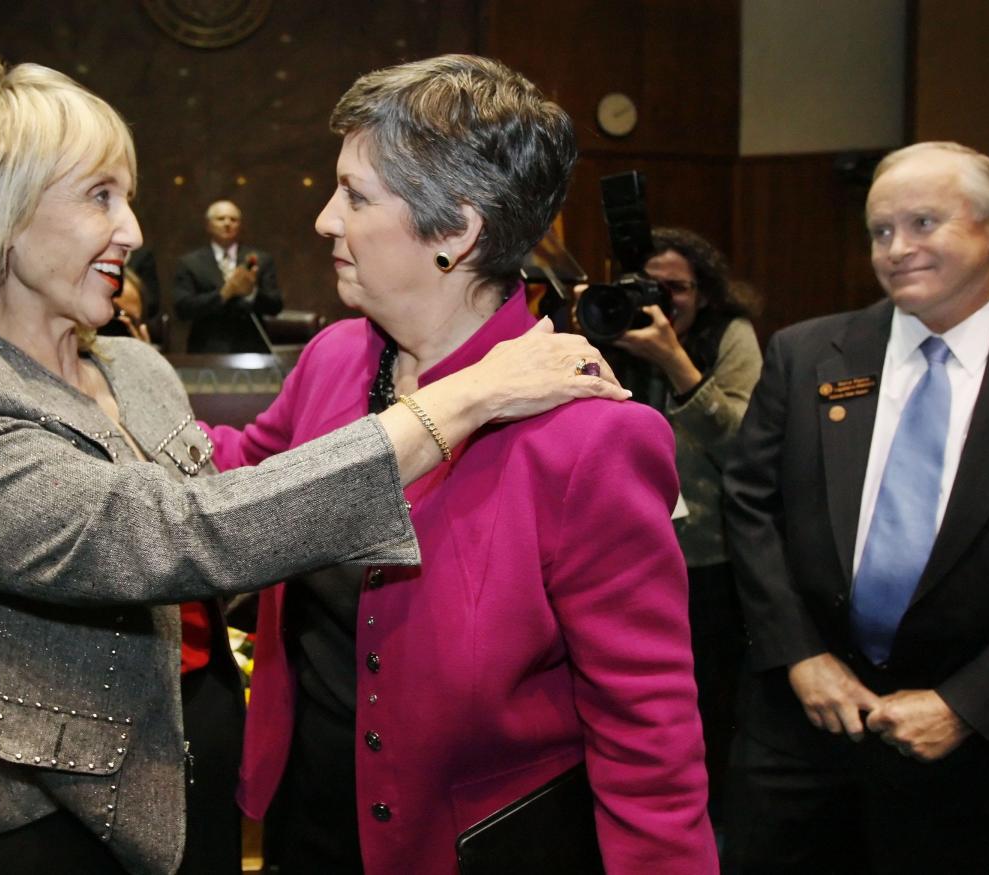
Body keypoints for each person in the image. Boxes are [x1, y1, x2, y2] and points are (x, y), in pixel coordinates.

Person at [0, 59, 619, 875]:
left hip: (197, 798)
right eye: (99, 195)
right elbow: (162, 533)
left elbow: (230, 484)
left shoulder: (132, 368)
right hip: (45, 832)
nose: (135, 232)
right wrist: (461, 398)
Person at [206, 55, 716, 875]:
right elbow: (244, 472)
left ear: (456, 232)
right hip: (309, 815)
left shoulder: (593, 437)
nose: (325, 220)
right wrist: (100, 398)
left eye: (356, 195)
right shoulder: (337, 357)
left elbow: (646, 729)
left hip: (476, 845)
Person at [723, 141, 989, 874]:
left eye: (923, 222)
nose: (898, 248)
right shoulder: (806, 352)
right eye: (881, 231)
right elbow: (749, 505)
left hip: (969, 741)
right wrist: (797, 652)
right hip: (798, 726)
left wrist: (971, 702)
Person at [608, 228, 762, 816]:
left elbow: (745, 446)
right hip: (624, 552)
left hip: (707, 555)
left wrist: (675, 363)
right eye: (650, 287)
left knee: (708, 698)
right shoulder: (611, 328)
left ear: (704, 291)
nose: (663, 300)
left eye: (677, 287)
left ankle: (710, 813)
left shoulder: (730, 336)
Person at [173, 200, 282, 353]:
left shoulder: (260, 259)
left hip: (252, 348)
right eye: (221, 219)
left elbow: (276, 306)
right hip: (206, 349)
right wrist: (224, 294)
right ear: (208, 225)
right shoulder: (190, 262)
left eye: (233, 219)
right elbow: (182, 309)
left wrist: (251, 293)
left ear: (240, 225)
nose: (227, 223)